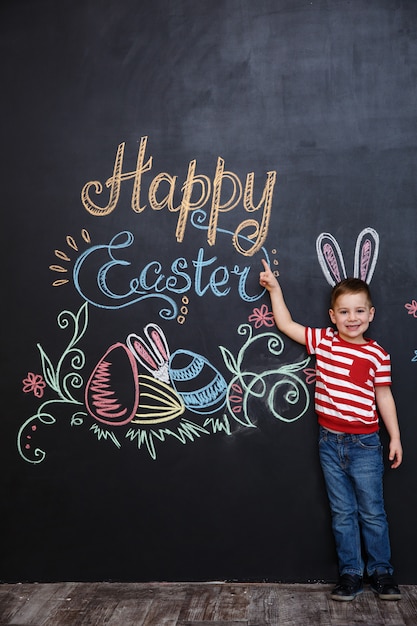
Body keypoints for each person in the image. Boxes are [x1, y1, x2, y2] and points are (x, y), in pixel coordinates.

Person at [259, 259, 403, 602]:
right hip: (329, 442)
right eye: (344, 312)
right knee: (342, 513)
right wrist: (275, 290)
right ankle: (351, 574)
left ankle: (382, 573)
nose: (351, 318)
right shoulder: (324, 342)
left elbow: (383, 396)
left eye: (358, 311)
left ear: (371, 314)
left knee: (372, 511)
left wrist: (395, 436)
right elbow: (286, 324)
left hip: (366, 443)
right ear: (332, 316)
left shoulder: (377, 355)